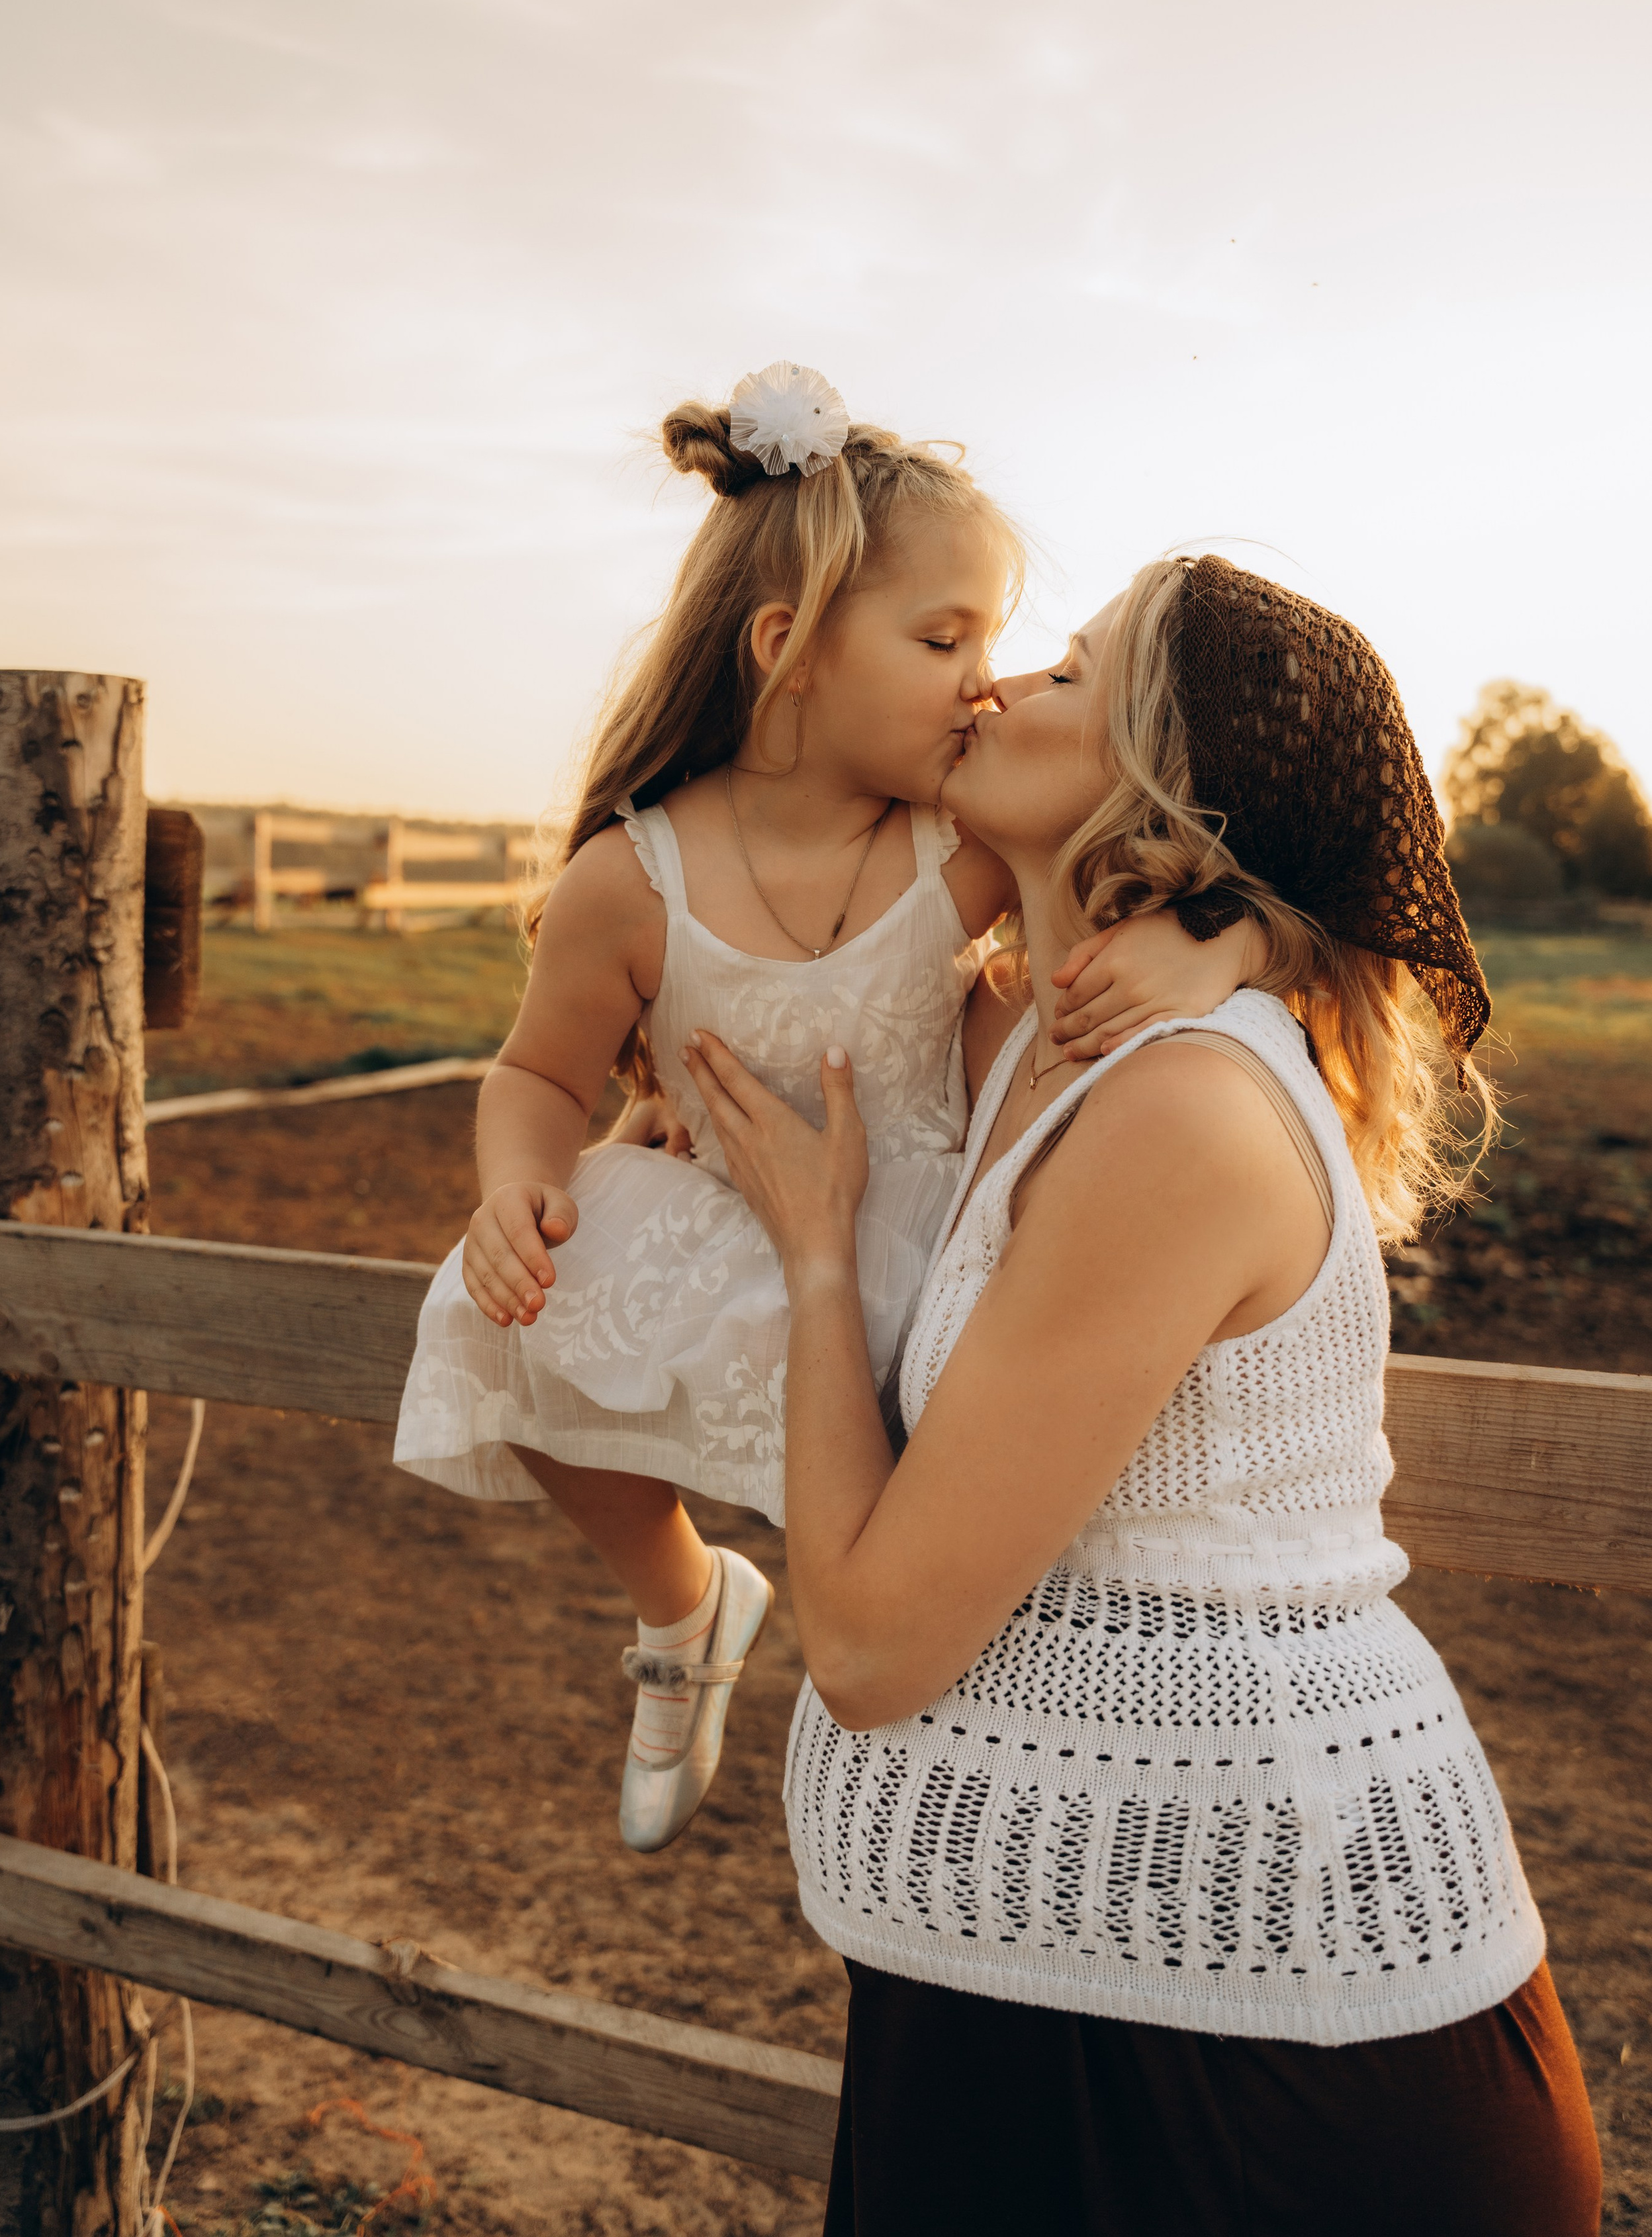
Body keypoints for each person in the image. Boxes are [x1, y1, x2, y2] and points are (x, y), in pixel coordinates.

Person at [683, 553, 1603, 2237]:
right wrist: (1231, 921)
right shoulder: (1011, 1031)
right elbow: (767, 864)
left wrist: (818, 1254)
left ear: (1167, 802)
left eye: (1067, 670)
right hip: (1037, 1995)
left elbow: (872, 1647)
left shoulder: (1180, 1111)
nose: (996, 681)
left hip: (1268, 2064)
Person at [392, 367, 1264, 1851]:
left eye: (992, 640)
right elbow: (536, 1072)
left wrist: (1219, 940)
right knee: (505, 1316)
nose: (984, 681)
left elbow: (1149, 875)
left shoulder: (958, 846)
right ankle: (684, 1603)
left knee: (920, 1499)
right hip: (730, 1216)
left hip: (915, 1238)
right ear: (788, 647)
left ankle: (948, 1700)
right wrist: (517, 1184)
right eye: (943, 638)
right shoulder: (632, 880)